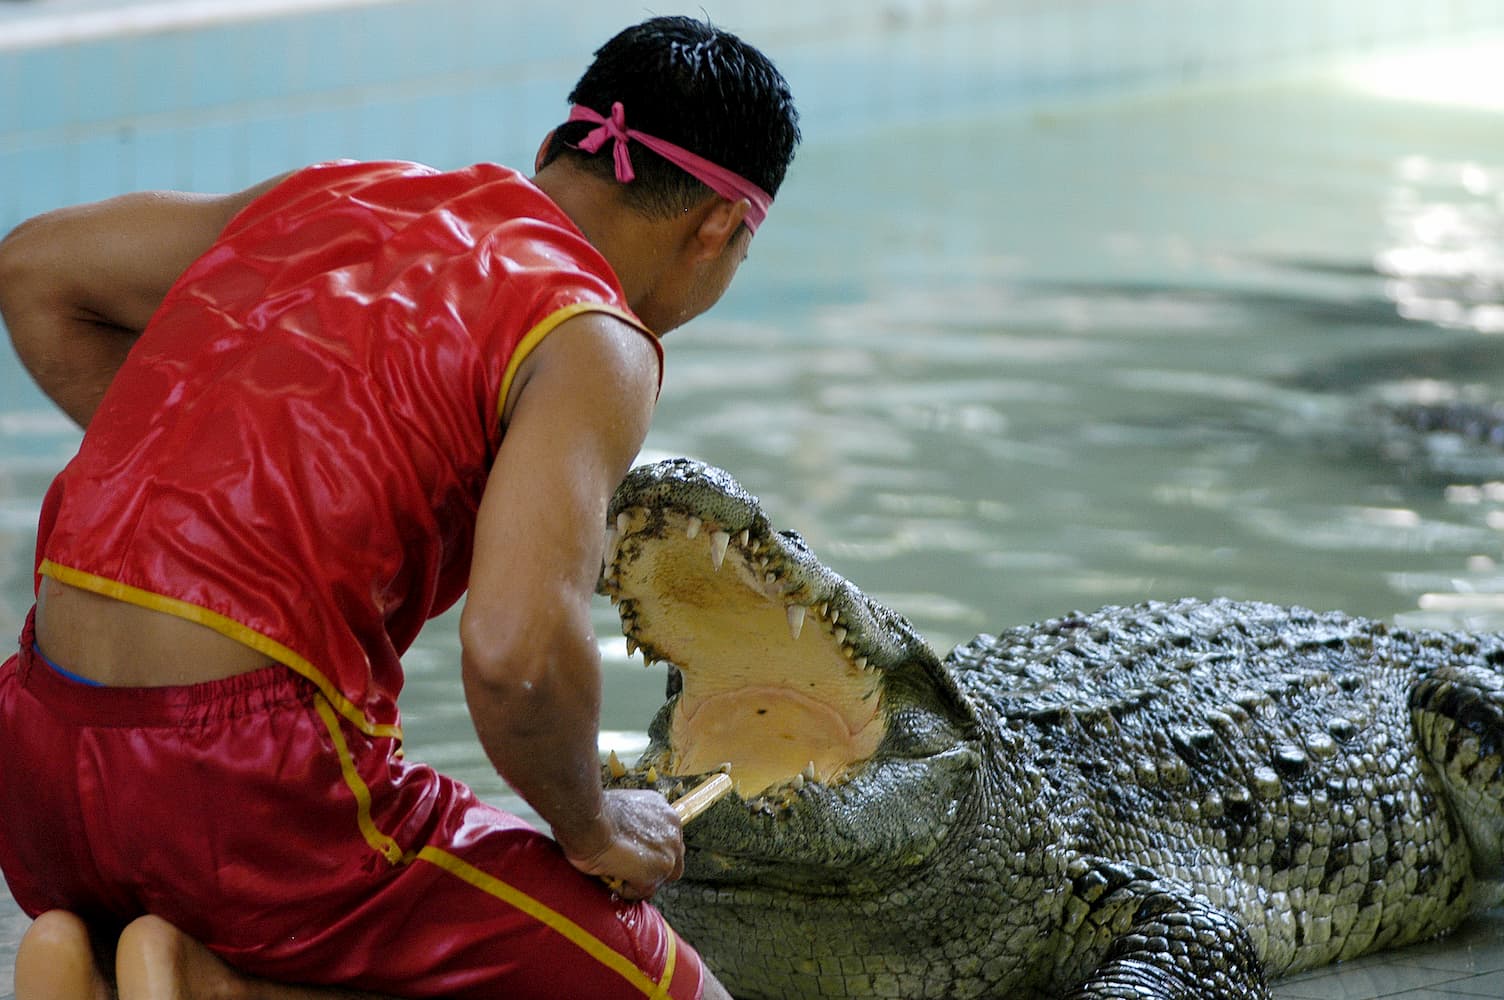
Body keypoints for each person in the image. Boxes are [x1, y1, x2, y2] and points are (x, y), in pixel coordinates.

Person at [0, 14, 799, 999]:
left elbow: (34, 270)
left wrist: (204, 458)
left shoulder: (342, 193)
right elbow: (515, 656)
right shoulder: (594, 336)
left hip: (36, 755)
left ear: (552, 150)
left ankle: (147, 969)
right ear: (717, 230)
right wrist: (593, 825)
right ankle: (220, 987)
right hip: (240, 787)